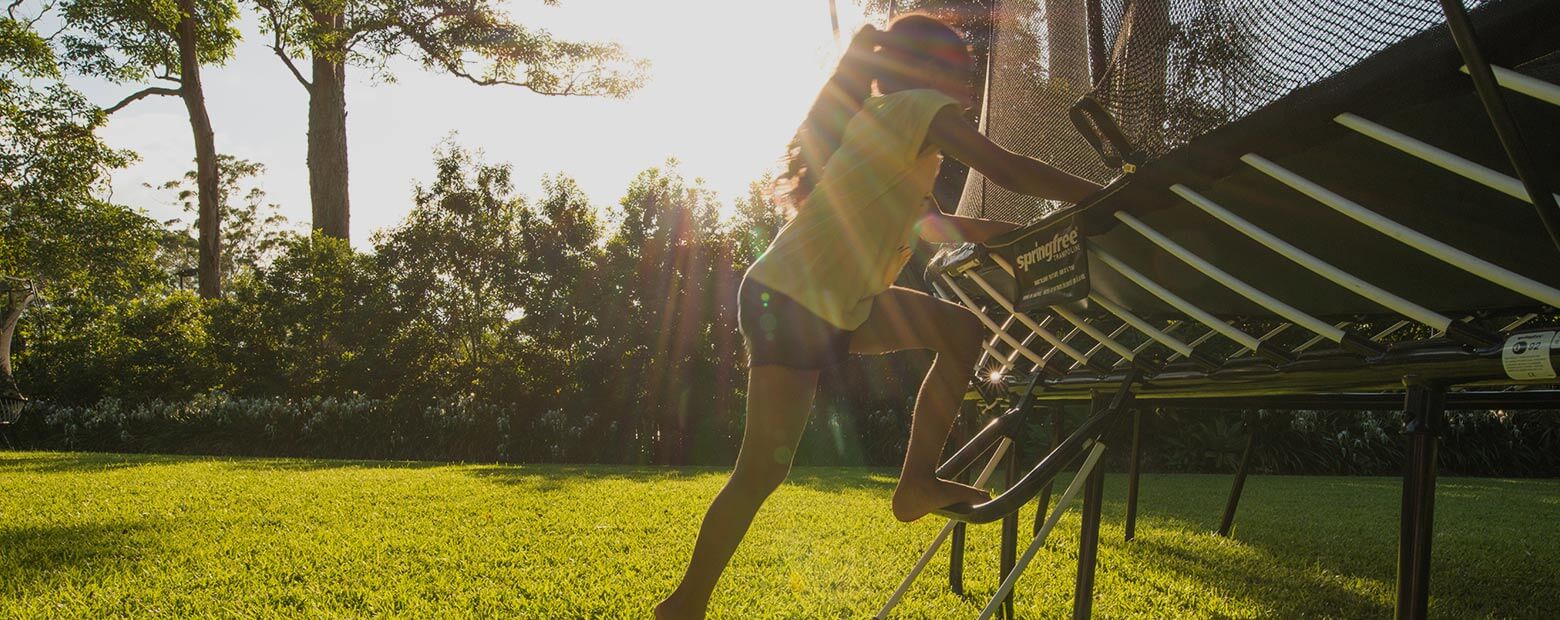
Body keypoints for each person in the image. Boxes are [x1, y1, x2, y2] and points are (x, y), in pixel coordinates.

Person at [655, 14, 1100, 619]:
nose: (971, 89)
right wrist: (1104, 199)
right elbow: (1009, 170)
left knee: (959, 331)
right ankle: (683, 606)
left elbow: (934, 228)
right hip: (795, 299)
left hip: (832, 303)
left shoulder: (896, 130)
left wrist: (1030, 233)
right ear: (926, 70)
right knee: (761, 470)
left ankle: (916, 481)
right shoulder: (916, 109)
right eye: (964, 71)